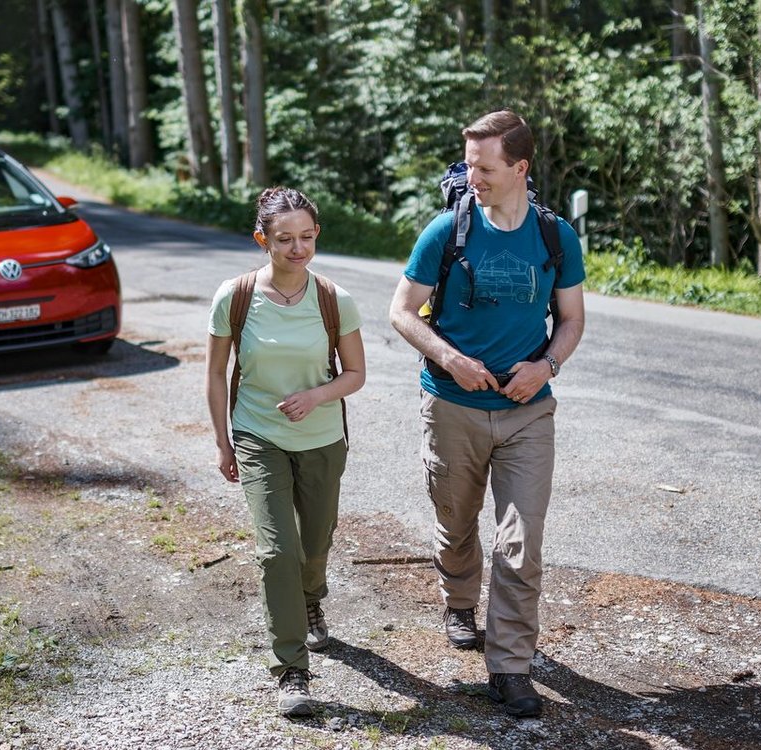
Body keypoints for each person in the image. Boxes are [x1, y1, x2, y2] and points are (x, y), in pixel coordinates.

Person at [388, 110, 586, 719]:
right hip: (453, 407)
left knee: (521, 543)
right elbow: (401, 312)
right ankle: (458, 600)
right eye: (469, 165)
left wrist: (546, 366)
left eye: (484, 167)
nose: (471, 177)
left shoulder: (555, 237)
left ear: (520, 167)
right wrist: (450, 358)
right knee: (456, 524)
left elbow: (572, 320)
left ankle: (509, 668)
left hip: (528, 412)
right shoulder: (446, 232)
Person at [205, 187, 366, 717]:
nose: (298, 249)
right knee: (278, 551)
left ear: (316, 236)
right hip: (259, 437)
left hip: (322, 440)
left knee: (314, 545)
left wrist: (316, 395)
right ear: (263, 240)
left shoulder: (334, 299)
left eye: (306, 237)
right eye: (284, 239)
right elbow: (215, 374)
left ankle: (311, 599)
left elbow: (355, 374)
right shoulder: (235, 296)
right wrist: (224, 441)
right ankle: (292, 668)